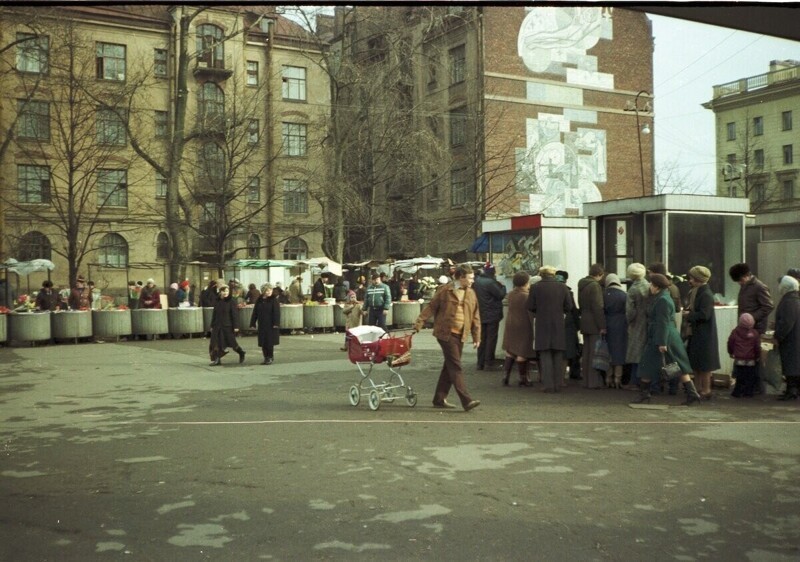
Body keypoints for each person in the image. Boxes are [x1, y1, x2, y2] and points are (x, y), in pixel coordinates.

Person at [414, 265, 481, 412]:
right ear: (461, 277)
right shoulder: (445, 290)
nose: (472, 281)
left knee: (449, 366)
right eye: (470, 278)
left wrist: (477, 336)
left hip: (461, 334)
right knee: (455, 366)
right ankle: (466, 400)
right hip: (446, 334)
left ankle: (439, 399)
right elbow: (431, 307)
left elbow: (475, 316)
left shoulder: (471, 293)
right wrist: (420, 322)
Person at [631, 274, 701, 405]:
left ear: (656, 287)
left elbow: (662, 322)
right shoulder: (663, 297)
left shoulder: (662, 300)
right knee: (676, 365)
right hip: (666, 336)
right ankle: (692, 394)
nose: (650, 287)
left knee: (650, 364)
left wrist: (662, 342)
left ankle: (644, 394)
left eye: (651, 284)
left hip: (663, 337)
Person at [730, 262, 774, 395]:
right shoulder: (746, 286)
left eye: (740, 279)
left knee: (754, 356)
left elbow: (768, 306)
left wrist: (751, 318)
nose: (739, 283)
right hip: (745, 327)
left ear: (746, 275)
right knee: (746, 355)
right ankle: (747, 385)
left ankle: (757, 386)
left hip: (755, 328)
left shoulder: (759, 287)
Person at [528, 266, 573, 393]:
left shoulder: (535, 287)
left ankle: (548, 384)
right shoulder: (562, 287)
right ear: (553, 275)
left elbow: (530, 306)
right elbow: (569, 306)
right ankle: (558, 383)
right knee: (558, 353)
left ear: (541, 274)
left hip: (542, 323)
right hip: (558, 323)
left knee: (545, 354)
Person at [682, 266, 720, 400]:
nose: (689, 280)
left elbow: (705, 315)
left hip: (703, 334)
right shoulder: (698, 291)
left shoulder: (705, 294)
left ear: (698, 279)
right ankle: (698, 388)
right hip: (698, 333)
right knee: (698, 363)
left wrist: (689, 315)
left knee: (704, 364)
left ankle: (705, 389)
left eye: (691, 277)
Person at [501, 271, 536, 386]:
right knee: (522, 352)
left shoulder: (511, 294)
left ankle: (505, 376)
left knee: (510, 350)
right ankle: (524, 378)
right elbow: (530, 313)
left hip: (511, 324)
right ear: (526, 282)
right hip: (524, 325)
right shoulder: (526, 296)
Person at [473, 262, 507, 370]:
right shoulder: (491, 283)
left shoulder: (477, 281)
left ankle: (480, 362)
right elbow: (500, 295)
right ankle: (489, 362)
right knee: (491, 338)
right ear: (492, 272)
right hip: (492, 314)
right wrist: (503, 287)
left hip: (481, 313)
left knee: (482, 338)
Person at [578, 263, 606, 389]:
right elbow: (598, 307)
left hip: (584, 319)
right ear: (599, 275)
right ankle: (593, 382)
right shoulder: (595, 286)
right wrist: (602, 325)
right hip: (593, 322)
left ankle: (585, 380)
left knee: (586, 352)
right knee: (594, 353)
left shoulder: (582, 284)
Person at [774, 275, 800, 400]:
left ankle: (792, 390)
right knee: (794, 364)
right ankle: (793, 390)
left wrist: (778, 335)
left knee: (791, 364)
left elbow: (786, 322)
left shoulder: (789, 301)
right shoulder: (794, 300)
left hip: (791, 339)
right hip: (795, 337)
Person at [209, 283, 246, 366]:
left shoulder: (231, 301)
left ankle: (241, 352)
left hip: (227, 326)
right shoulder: (217, 301)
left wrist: (236, 326)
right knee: (215, 343)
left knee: (232, 343)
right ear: (220, 292)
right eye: (223, 291)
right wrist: (212, 325)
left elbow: (235, 314)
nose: (225, 293)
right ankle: (217, 359)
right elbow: (214, 314)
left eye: (227, 291)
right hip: (217, 325)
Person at [625, 263, 649, 388]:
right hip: (648, 322)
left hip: (637, 323)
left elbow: (630, 311)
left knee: (636, 353)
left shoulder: (633, 289)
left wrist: (629, 321)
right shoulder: (648, 286)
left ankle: (634, 381)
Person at [603, 273, 628, 389]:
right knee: (619, 351)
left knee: (608, 351)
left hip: (607, 323)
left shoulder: (604, 294)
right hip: (621, 324)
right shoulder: (624, 294)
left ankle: (608, 377)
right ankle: (618, 378)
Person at [728, 313, 761, 398]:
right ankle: (748, 392)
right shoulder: (755, 333)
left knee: (739, 376)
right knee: (750, 376)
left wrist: (731, 352)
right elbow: (757, 347)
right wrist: (758, 356)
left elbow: (730, 343)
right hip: (751, 359)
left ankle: (737, 391)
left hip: (739, 359)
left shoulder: (735, 332)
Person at [556, 270, 581, 382]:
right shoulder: (568, 292)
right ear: (566, 280)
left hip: (554, 324)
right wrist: (578, 325)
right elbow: (573, 309)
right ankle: (566, 376)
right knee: (568, 351)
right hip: (568, 325)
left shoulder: (550, 290)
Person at [250, 283, 280, 365]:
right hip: (262, 323)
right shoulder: (259, 300)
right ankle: (265, 357)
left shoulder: (274, 300)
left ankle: (270, 357)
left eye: (270, 290)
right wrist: (252, 323)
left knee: (269, 342)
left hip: (271, 324)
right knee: (263, 342)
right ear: (263, 291)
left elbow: (276, 312)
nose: (269, 292)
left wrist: (276, 323)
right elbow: (255, 312)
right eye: (267, 290)